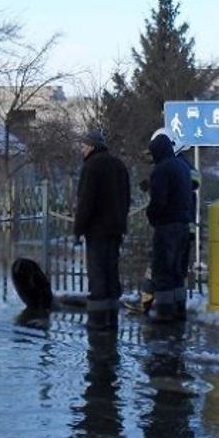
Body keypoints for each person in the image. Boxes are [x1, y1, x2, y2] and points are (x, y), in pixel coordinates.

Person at [73, 129, 131, 331]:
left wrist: (78, 229)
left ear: (91, 146)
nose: (82, 149)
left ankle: (97, 322)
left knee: (97, 273)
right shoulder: (119, 165)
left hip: (96, 230)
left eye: (83, 145)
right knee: (111, 272)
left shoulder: (91, 167)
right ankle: (112, 318)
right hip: (116, 229)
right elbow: (126, 198)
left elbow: (86, 202)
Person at [145, 128, 192, 323]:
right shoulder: (182, 166)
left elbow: (158, 201)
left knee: (163, 271)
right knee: (177, 273)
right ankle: (179, 311)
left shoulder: (161, 170)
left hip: (166, 227)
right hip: (183, 225)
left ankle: (164, 316)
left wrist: (151, 215)